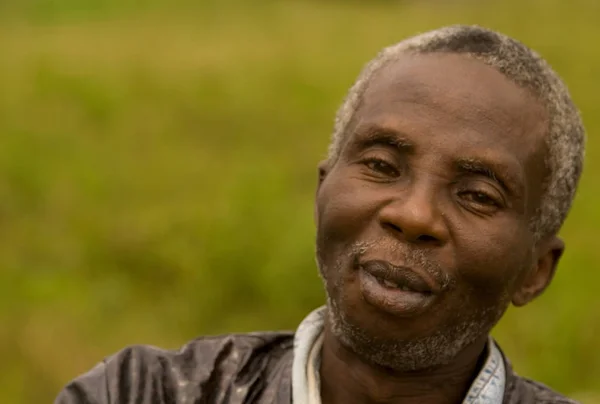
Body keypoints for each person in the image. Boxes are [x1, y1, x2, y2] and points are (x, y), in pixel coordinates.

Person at [55, 25, 585, 404]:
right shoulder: (141, 392)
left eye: (477, 195)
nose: (414, 214)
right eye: (381, 164)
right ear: (322, 191)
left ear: (536, 270)